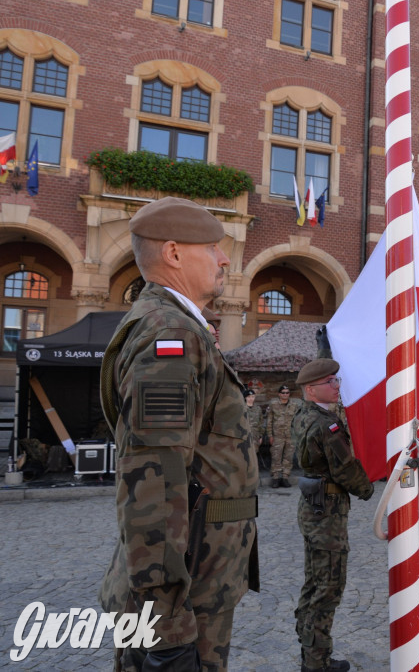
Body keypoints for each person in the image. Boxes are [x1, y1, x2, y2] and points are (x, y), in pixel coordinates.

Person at [98, 196, 258, 671]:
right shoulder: (170, 334)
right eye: (213, 248)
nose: (225, 258)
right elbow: (153, 478)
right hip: (187, 587)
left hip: (199, 572)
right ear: (173, 254)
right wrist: (165, 625)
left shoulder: (178, 326)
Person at [292, 358, 374, 672]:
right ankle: (316, 664)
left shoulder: (303, 414)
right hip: (327, 513)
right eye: (331, 382)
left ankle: (312, 655)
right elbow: (345, 467)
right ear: (312, 388)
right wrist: (367, 488)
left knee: (315, 583)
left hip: (313, 507)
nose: (337, 387)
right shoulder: (325, 423)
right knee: (327, 587)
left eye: (337, 381)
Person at [266, 384, 300, 488]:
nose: (285, 395)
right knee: (276, 457)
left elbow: (297, 420)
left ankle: (285, 477)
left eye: (287, 393)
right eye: (283, 393)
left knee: (288, 458)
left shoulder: (294, 405)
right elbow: (269, 421)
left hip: (290, 436)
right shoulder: (273, 404)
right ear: (279, 394)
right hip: (277, 436)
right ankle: (276, 478)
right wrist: (270, 435)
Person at [244, 388, 265, 460]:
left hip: (255, 436)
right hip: (244, 436)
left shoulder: (258, 409)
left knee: (254, 456)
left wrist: (260, 436)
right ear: (245, 397)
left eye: (252, 396)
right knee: (244, 456)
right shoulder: (242, 408)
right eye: (249, 397)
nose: (251, 398)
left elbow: (261, 423)